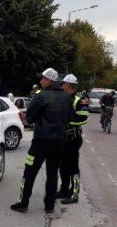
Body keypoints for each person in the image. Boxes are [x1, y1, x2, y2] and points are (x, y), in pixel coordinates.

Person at [10, 68, 71, 214]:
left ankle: (23, 203)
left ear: (49, 80)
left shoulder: (41, 96)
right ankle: (49, 206)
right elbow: (69, 118)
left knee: (29, 172)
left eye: (43, 78)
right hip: (58, 142)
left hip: (40, 142)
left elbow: (29, 118)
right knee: (52, 173)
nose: (41, 81)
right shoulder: (66, 97)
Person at [57, 74, 89, 204]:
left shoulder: (80, 99)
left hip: (73, 138)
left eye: (63, 84)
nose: (61, 86)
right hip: (62, 138)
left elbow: (83, 117)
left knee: (73, 167)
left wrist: (65, 118)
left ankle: (74, 194)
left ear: (69, 86)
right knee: (63, 166)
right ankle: (64, 190)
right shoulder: (62, 98)